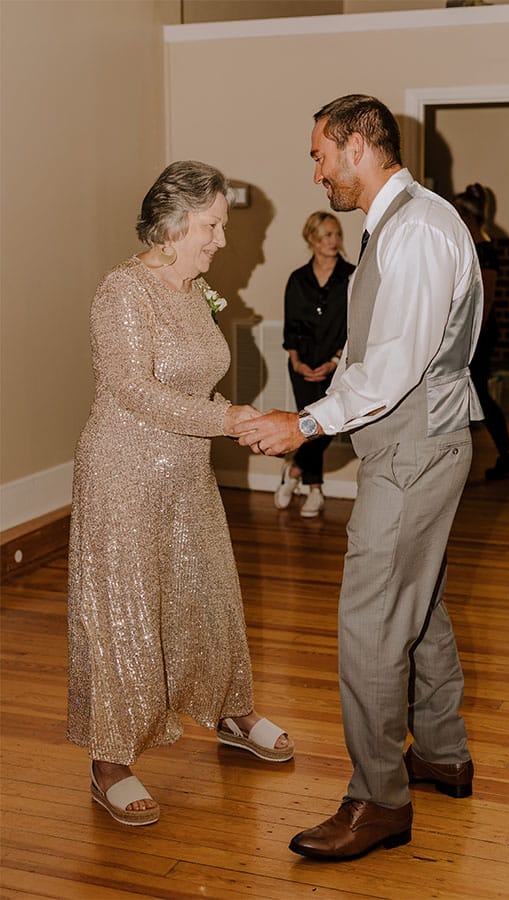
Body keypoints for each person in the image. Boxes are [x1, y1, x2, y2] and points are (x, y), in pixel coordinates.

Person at [232, 95, 483, 861]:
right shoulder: (412, 220)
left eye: (320, 154)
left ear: (358, 147)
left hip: (413, 452)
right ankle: (440, 752)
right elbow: (396, 346)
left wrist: (304, 422)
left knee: (370, 625)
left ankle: (378, 799)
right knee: (421, 600)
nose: (316, 172)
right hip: (426, 443)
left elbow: (400, 366)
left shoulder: (411, 231)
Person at [67, 160, 293, 828]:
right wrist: (226, 420)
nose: (222, 239)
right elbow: (133, 391)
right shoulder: (123, 293)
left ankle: (229, 709)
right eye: (214, 224)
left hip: (186, 472)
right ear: (174, 222)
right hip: (123, 473)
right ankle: (109, 762)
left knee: (208, 594)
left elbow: (188, 388)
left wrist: (233, 413)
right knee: (126, 612)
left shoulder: (196, 290)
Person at [275, 211, 354, 517]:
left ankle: (295, 469)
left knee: (327, 425)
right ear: (312, 239)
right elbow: (290, 327)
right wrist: (296, 363)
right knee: (310, 422)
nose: (334, 241)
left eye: (337, 235)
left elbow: (355, 327)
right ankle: (315, 490)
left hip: (338, 365)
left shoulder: (351, 276)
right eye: (326, 235)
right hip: (302, 366)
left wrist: (336, 361)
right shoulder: (297, 279)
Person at [453, 184, 509, 480]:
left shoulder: (485, 250)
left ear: (468, 216)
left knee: (477, 393)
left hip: (478, 334)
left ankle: (506, 454)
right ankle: (505, 454)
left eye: (457, 212)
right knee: (474, 393)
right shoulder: (474, 246)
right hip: (470, 333)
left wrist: (471, 340)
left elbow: (487, 300)